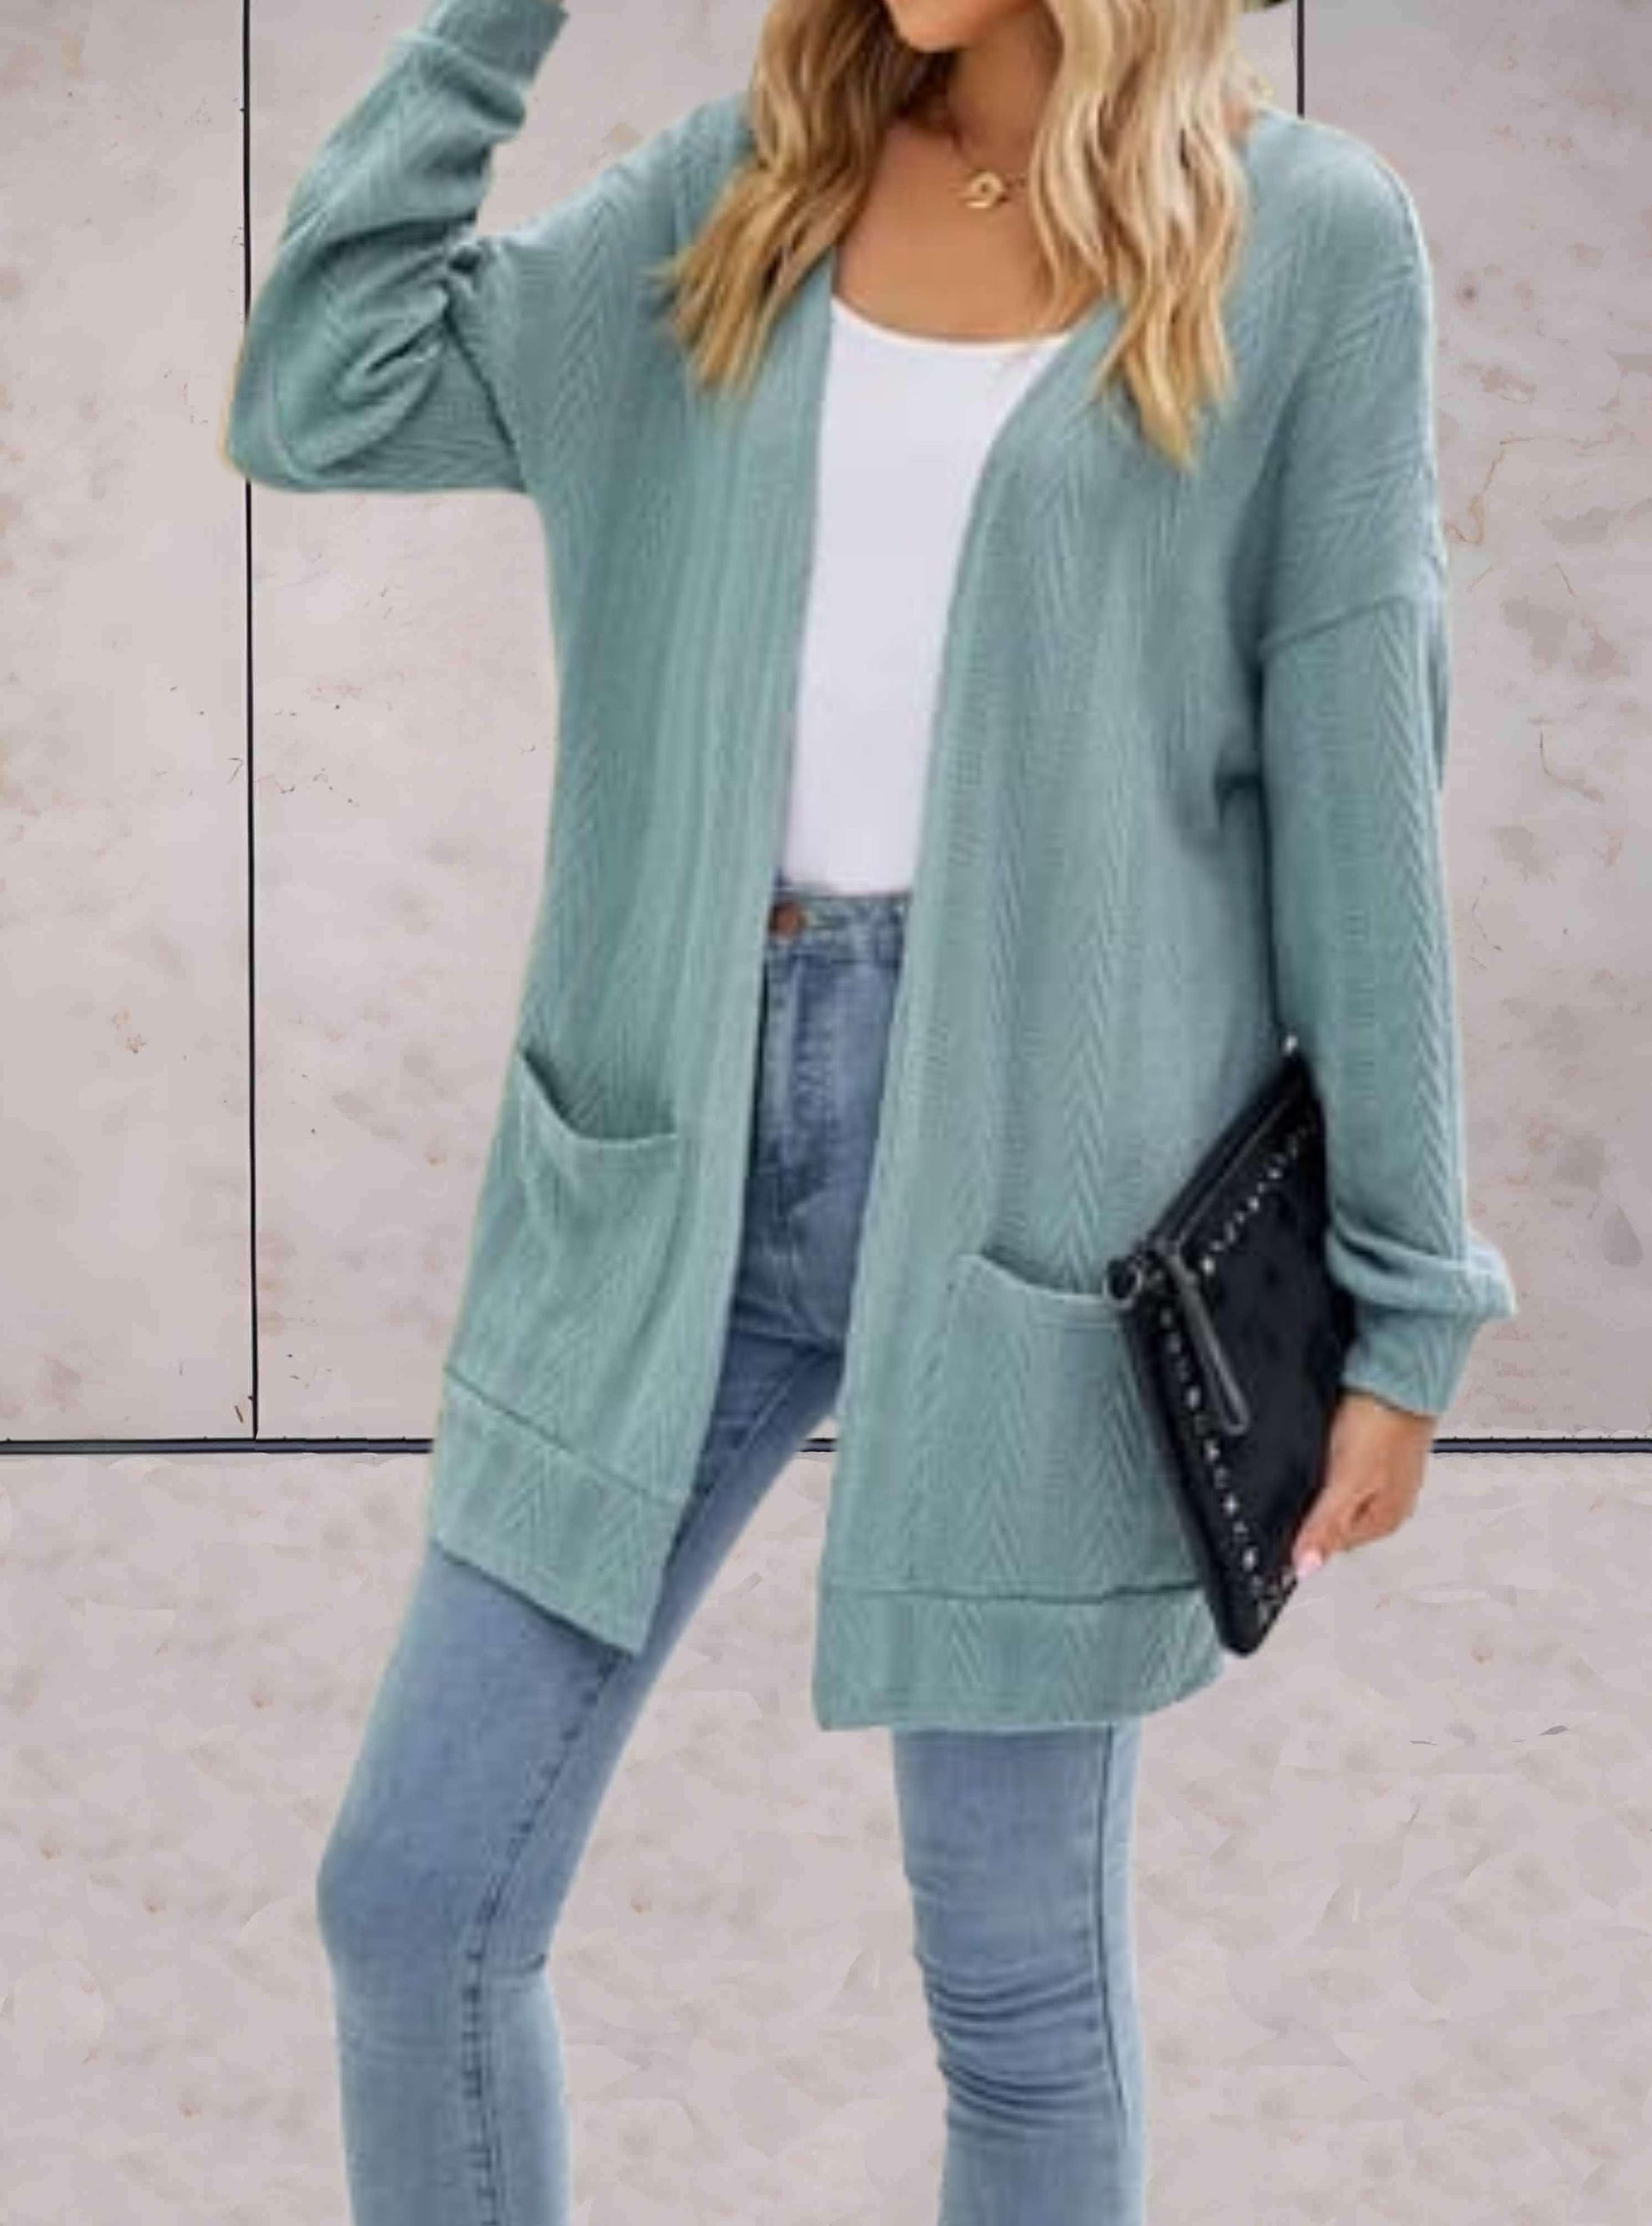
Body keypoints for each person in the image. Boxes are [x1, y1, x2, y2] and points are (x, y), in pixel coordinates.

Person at [220, 0, 1517, 2217]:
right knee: (415, 1900)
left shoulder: (1306, 242)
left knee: (1015, 2002)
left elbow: (1358, 796)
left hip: (1052, 1216)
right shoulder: (738, 190)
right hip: (668, 1170)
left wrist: (1407, 1302)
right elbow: (318, 384)